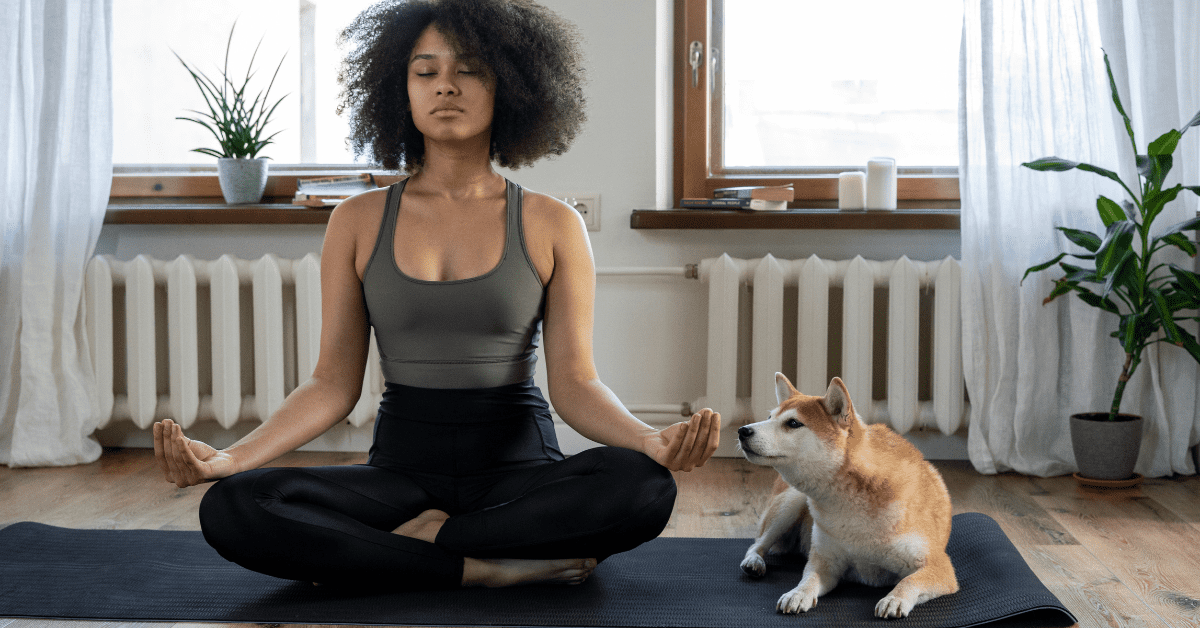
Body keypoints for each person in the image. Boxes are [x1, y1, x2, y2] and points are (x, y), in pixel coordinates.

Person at [153, 0, 721, 590]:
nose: (445, 86)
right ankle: (480, 565)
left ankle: (431, 544)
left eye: (469, 70)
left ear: (511, 85)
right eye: (425, 72)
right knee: (236, 505)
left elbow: (575, 385)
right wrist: (232, 459)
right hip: (402, 475)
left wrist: (650, 441)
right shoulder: (356, 219)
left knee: (644, 487)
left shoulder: (552, 223)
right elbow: (332, 384)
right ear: (400, 90)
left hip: (517, 473)